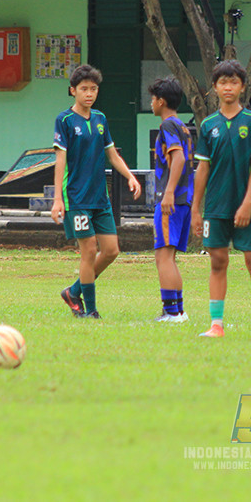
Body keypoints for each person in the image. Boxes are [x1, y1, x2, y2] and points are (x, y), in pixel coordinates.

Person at [192, 60, 251, 339]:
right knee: (217, 262)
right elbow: (202, 169)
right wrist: (196, 209)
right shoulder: (207, 125)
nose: (228, 87)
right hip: (216, 207)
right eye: (223, 83)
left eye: (234, 82)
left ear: (242, 87)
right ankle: (216, 325)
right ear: (214, 88)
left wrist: (247, 202)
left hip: (246, 206)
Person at [53, 65, 142, 320]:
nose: (89, 93)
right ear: (73, 91)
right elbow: (60, 160)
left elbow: (112, 155)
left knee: (111, 250)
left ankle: (73, 291)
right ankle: (90, 310)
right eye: (83, 89)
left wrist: (130, 176)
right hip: (77, 198)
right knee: (89, 250)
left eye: (93, 89)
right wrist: (58, 198)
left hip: (99, 198)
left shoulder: (101, 119)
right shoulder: (65, 120)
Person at [149, 76, 193, 323]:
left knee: (163, 256)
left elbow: (178, 159)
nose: (151, 103)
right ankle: (179, 311)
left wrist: (167, 193)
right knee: (170, 256)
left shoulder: (168, 127)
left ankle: (171, 312)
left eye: (152, 99)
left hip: (171, 200)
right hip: (184, 200)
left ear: (161, 101)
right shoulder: (183, 126)